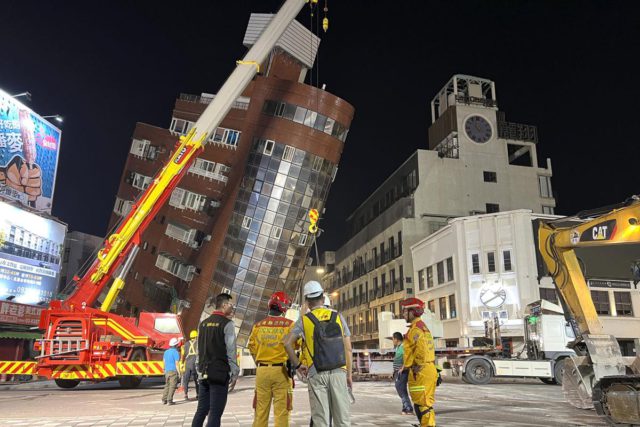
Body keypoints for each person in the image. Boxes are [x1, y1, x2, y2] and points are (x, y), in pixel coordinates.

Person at [284, 281, 352, 427]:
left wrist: (298, 365)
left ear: (307, 302)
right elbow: (348, 349)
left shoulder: (304, 320)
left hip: (316, 373)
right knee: (343, 420)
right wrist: (349, 374)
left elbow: (287, 344)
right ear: (323, 298)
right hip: (339, 372)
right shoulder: (338, 316)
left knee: (320, 420)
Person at [248, 291, 296, 427]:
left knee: (260, 412)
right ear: (284, 307)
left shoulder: (258, 326)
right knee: (282, 413)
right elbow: (297, 346)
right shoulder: (289, 325)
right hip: (281, 372)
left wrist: (260, 361)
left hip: (262, 372)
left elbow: (251, 348)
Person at [192, 293, 239, 427]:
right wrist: (235, 373)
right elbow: (231, 351)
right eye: (231, 305)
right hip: (219, 373)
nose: (232, 308)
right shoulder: (227, 324)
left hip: (203, 372)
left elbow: (199, 350)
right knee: (215, 412)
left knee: (201, 410)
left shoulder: (203, 324)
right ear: (224, 305)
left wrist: (198, 369)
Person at [400, 298, 437, 427]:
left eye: (405, 311)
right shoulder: (421, 327)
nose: (403, 314)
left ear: (413, 311)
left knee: (423, 404)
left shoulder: (416, 330)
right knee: (420, 402)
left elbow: (421, 349)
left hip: (420, 372)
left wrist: (418, 365)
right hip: (424, 370)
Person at [392, 331, 414, 415]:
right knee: (401, 389)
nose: (393, 340)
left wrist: (403, 367)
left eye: (393, 339)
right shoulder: (398, 347)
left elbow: (408, 357)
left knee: (400, 388)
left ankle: (408, 408)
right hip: (398, 371)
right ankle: (405, 408)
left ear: (396, 339)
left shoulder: (403, 347)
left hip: (403, 371)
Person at [162, 337, 181, 405]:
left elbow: (164, 361)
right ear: (176, 345)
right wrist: (179, 373)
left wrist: (164, 369)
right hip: (173, 371)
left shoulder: (166, 352)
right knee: (172, 386)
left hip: (167, 371)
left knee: (167, 385)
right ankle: (169, 400)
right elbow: (176, 363)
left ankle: (164, 399)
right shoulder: (176, 352)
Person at [182, 330, 199, 401]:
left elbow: (183, 355)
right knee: (197, 380)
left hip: (188, 364)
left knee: (186, 380)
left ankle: (185, 395)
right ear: (196, 336)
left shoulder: (186, 344)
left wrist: (182, 363)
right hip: (195, 363)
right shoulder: (198, 343)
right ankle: (198, 394)